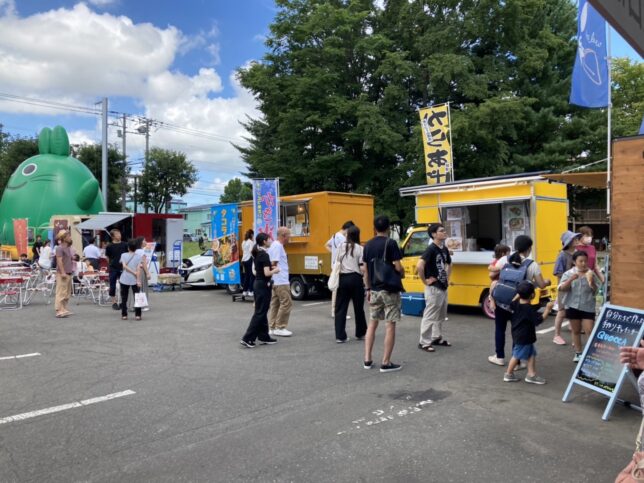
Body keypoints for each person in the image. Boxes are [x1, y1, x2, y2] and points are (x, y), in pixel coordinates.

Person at [488, 235, 551, 366]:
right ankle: (516, 362)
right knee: (516, 330)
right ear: (529, 248)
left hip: (501, 300)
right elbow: (541, 285)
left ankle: (499, 357)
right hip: (518, 303)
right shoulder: (532, 264)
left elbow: (492, 273)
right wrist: (547, 281)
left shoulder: (505, 259)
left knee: (500, 329)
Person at [362, 215, 405, 373]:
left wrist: (367, 289)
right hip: (389, 290)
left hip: (374, 290)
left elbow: (365, 270)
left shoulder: (368, 245)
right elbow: (398, 266)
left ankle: (367, 359)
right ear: (388, 228)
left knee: (372, 323)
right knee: (390, 324)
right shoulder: (391, 243)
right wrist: (402, 272)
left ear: (375, 228)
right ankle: (385, 362)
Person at [503, 281, 555, 384]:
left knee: (531, 353)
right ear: (532, 295)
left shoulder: (515, 304)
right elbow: (539, 320)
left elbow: (514, 299)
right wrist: (547, 309)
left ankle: (531, 374)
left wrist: (520, 292)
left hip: (520, 334)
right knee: (517, 355)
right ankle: (508, 374)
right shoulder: (529, 309)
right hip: (524, 337)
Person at [558, 250, 600, 362]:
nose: (583, 263)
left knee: (590, 331)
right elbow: (561, 288)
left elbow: (597, 291)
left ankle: (591, 354)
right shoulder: (568, 274)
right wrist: (571, 279)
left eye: (585, 261)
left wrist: (592, 283)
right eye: (580, 261)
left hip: (588, 305)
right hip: (572, 306)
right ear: (574, 262)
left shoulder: (591, 273)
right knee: (576, 331)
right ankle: (578, 353)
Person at [416, 223, 452, 352]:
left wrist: (447, 278)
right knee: (430, 314)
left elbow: (449, 263)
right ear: (434, 234)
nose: (444, 232)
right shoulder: (430, 249)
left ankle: (436, 337)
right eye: (441, 231)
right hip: (434, 288)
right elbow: (419, 266)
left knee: (441, 314)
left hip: (442, 286)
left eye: (444, 230)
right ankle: (424, 342)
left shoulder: (443, 248)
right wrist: (425, 281)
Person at [240, 233, 280, 348]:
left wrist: (270, 268)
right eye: (269, 239)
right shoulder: (264, 255)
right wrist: (276, 270)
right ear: (264, 241)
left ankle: (264, 336)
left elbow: (261, 270)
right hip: (263, 285)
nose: (271, 241)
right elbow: (267, 273)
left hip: (258, 284)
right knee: (260, 312)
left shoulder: (258, 253)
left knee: (261, 310)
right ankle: (247, 338)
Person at [333, 225, 367, 343]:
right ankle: (361, 333)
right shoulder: (360, 248)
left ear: (347, 235)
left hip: (343, 279)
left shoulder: (340, 247)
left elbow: (336, 262)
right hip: (356, 278)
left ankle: (340, 336)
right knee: (359, 308)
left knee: (341, 308)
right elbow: (362, 267)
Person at [552, 231, 582, 345]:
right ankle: (556, 335)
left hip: (576, 287)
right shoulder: (562, 255)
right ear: (568, 242)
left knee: (575, 310)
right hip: (564, 288)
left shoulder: (577, 253)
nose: (577, 240)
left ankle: (575, 336)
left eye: (577, 238)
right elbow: (557, 272)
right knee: (562, 311)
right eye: (574, 239)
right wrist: (570, 276)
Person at [325, 220, 355, 318]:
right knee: (340, 289)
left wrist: (334, 253)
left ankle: (334, 311)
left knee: (335, 289)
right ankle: (339, 312)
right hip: (341, 266)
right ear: (347, 229)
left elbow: (326, 245)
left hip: (334, 264)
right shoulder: (342, 238)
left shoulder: (334, 236)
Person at [268, 227, 293, 337]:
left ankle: (272, 327)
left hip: (275, 280)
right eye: (289, 235)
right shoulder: (278, 246)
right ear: (283, 235)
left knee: (275, 304)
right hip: (281, 280)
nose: (289, 238)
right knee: (286, 303)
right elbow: (274, 263)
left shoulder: (274, 245)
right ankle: (280, 326)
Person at [119, 239, 144, 321]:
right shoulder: (138, 257)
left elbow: (124, 266)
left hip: (124, 278)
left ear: (128, 247)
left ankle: (124, 315)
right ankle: (138, 315)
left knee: (124, 297)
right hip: (134, 279)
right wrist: (138, 279)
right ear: (135, 248)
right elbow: (139, 269)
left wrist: (133, 272)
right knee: (137, 297)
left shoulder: (123, 255)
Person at [105, 229, 128, 311]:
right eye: (117, 234)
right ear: (112, 236)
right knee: (112, 285)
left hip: (123, 267)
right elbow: (107, 257)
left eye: (119, 233)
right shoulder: (109, 246)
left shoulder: (125, 244)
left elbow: (128, 255)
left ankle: (123, 302)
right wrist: (111, 264)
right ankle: (114, 302)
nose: (119, 235)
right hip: (113, 268)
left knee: (124, 285)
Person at [54, 230, 73, 318]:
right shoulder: (59, 248)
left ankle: (64, 308)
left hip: (69, 272)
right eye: (68, 236)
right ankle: (59, 310)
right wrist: (63, 272)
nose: (70, 237)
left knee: (67, 292)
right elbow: (59, 261)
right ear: (64, 238)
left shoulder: (68, 247)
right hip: (63, 273)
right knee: (61, 292)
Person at [487, 244, 511, 312]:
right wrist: (501, 268)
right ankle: (492, 302)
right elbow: (490, 270)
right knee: (493, 285)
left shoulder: (499, 261)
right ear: (503, 254)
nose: (509, 255)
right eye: (508, 253)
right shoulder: (498, 261)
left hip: (500, 284)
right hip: (497, 283)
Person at [241, 229, 255, 297]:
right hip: (249, 259)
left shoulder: (243, 242)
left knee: (246, 276)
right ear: (252, 235)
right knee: (252, 275)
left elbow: (243, 250)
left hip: (244, 259)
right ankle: (251, 291)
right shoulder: (251, 242)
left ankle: (244, 291)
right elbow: (251, 251)